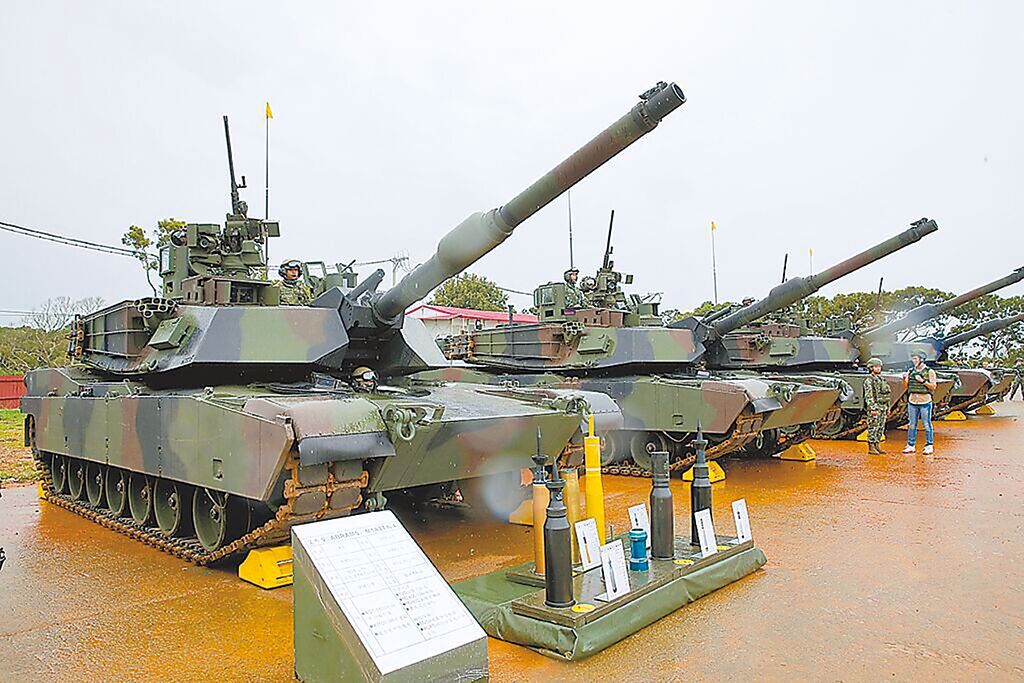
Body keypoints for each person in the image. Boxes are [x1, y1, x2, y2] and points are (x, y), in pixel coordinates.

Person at [902, 350, 938, 454]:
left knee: (926, 424)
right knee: (912, 424)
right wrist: (905, 379)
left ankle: (929, 445)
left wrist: (922, 381)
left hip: (925, 400)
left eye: (915, 358)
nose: (913, 360)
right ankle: (911, 445)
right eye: (913, 358)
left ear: (921, 360)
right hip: (913, 400)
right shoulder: (911, 371)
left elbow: (933, 386)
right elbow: (906, 386)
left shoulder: (929, 371)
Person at [863, 357, 891, 454]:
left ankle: (877, 445)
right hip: (875, 407)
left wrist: (888, 407)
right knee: (873, 426)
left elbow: (886, 394)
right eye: (876, 367)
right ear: (871, 368)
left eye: (879, 366)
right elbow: (869, 396)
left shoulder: (882, 379)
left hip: (883, 407)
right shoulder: (869, 381)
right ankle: (871, 446)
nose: (878, 368)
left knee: (880, 427)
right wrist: (872, 408)